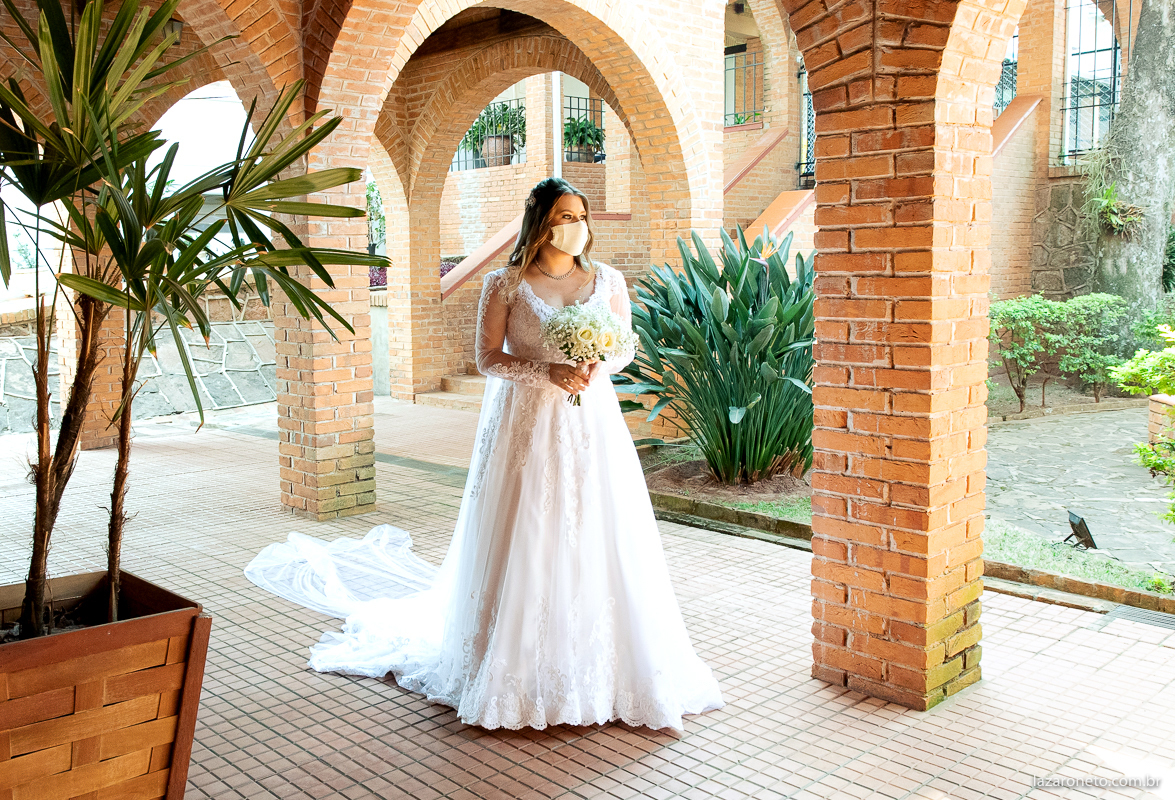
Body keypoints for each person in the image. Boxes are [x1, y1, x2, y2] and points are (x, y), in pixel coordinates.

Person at [246, 177, 724, 732]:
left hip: (592, 424)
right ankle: (512, 665)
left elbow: (623, 346)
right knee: (529, 527)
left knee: (596, 526)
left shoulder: (607, 280)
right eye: (566, 217)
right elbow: (487, 359)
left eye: (582, 217)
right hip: (526, 425)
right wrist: (546, 370)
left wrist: (596, 362)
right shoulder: (505, 284)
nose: (577, 228)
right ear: (542, 223)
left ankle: (607, 665)